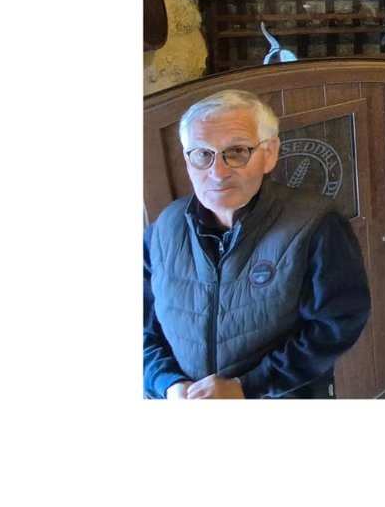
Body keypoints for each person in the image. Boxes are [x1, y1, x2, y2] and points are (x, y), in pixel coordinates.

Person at [144, 89, 372, 399]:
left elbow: (336, 324)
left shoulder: (316, 224)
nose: (218, 173)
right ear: (187, 160)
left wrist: (246, 387)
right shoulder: (164, 229)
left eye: (237, 151)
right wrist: (167, 383)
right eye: (202, 154)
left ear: (270, 153)